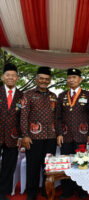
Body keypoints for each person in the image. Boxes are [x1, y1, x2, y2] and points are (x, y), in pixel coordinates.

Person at [56, 68, 89, 199]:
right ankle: (67, 191)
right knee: (67, 163)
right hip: (66, 135)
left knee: (81, 163)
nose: (71, 80)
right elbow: (58, 117)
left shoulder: (88, 95)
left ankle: (82, 190)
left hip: (82, 134)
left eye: (74, 77)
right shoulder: (61, 95)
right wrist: (59, 134)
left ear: (80, 79)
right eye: (69, 77)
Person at [21, 67, 57, 200]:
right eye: (41, 78)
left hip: (51, 137)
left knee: (48, 166)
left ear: (49, 81)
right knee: (33, 166)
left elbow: (57, 117)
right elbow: (23, 116)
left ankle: (46, 191)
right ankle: (31, 193)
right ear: (36, 79)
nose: (44, 81)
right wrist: (25, 135)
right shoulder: (28, 94)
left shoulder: (53, 96)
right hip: (33, 137)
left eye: (47, 79)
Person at [0, 64, 23, 200]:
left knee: (9, 166)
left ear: (17, 78)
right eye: (8, 75)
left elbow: (22, 117)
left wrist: (21, 136)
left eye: (13, 75)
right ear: (3, 77)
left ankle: (2, 192)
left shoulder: (21, 96)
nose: (10, 78)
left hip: (13, 136)